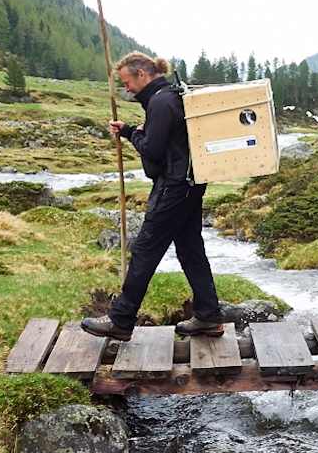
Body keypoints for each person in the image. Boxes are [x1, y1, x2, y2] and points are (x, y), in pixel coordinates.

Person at [81, 52, 224, 341]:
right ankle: (209, 316)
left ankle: (121, 320)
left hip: (173, 187)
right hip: (191, 184)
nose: (127, 89)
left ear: (142, 75)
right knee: (190, 249)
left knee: (146, 249)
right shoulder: (170, 96)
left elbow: (153, 150)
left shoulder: (160, 103)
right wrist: (131, 131)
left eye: (127, 82)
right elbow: (163, 141)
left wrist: (133, 136)